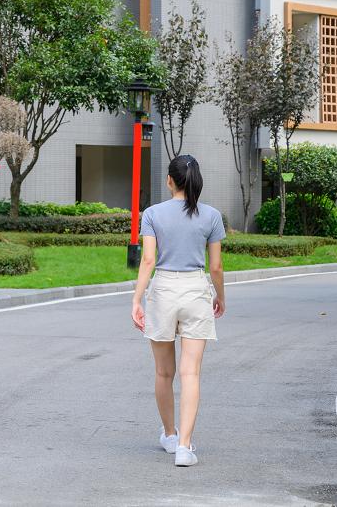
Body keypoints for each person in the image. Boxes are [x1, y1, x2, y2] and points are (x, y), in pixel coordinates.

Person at [130, 154, 226, 466]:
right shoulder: (211, 215)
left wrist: (136, 299)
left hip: (164, 290)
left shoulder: (153, 213)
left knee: (163, 372)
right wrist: (220, 297)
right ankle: (185, 447)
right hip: (196, 290)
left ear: (169, 180)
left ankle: (170, 436)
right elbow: (216, 267)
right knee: (191, 372)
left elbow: (147, 261)